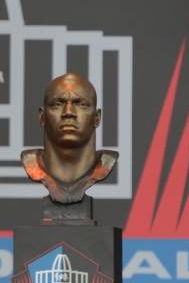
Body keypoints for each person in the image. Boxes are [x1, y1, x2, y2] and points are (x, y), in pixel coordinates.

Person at [21, 73, 117, 204]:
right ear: (42, 117)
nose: (68, 112)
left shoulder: (105, 163)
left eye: (81, 104)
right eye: (57, 104)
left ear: (97, 118)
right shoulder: (32, 164)